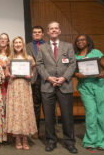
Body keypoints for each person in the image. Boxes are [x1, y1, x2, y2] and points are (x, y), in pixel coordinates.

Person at [36, 21, 78, 153]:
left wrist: (64, 78)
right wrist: (48, 77)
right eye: (51, 29)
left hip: (65, 85)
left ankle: (69, 142)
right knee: (48, 117)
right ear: (47, 32)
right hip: (47, 85)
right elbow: (39, 64)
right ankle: (50, 141)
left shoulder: (68, 46)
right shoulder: (42, 48)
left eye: (56, 28)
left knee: (67, 115)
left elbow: (72, 64)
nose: (54, 30)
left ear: (59, 31)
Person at [74, 34, 104, 150]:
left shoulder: (96, 52)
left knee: (102, 113)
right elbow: (73, 72)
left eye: (83, 39)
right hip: (84, 87)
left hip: (98, 85)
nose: (80, 42)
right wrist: (77, 74)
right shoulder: (75, 56)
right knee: (91, 113)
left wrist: (102, 74)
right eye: (78, 40)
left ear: (88, 41)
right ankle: (90, 140)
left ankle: (102, 141)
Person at [5, 36, 37, 150]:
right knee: (16, 112)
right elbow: (6, 72)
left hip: (25, 86)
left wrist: (30, 75)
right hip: (13, 86)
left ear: (22, 44)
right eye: (15, 43)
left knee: (25, 111)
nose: (18, 44)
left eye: (19, 42)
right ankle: (17, 138)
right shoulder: (9, 58)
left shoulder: (29, 58)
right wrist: (9, 75)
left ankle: (25, 138)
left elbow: (32, 72)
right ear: (13, 45)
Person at [26, 26, 45, 139]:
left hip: (47, 79)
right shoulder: (27, 46)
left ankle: (49, 131)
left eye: (39, 32)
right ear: (32, 34)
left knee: (48, 107)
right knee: (35, 106)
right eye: (34, 32)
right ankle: (35, 130)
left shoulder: (48, 46)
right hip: (33, 79)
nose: (37, 34)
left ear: (43, 34)